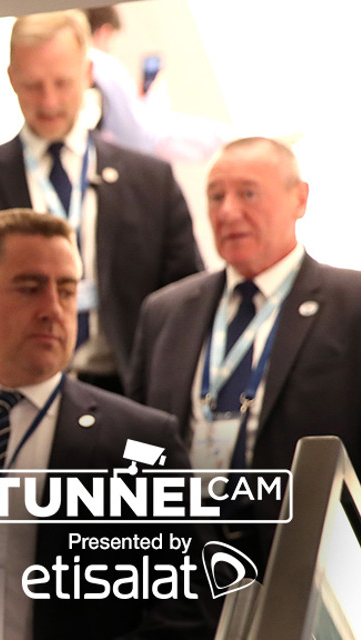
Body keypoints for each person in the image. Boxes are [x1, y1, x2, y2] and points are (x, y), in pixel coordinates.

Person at [0, 209, 214, 639]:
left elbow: (187, 609)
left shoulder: (142, 443)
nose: (53, 309)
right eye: (30, 288)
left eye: (68, 291)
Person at [0, 10, 203, 393]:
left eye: (61, 83)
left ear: (88, 75)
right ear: (11, 78)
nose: (49, 101)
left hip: (124, 401)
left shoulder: (151, 182)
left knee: (143, 456)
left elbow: (191, 309)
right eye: (34, 85)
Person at [129, 136, 361, 569]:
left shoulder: (351, 304)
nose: (228, 211)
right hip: (180, 564)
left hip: (308, 560)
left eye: (248, 193)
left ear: (300, 199)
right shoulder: (165, 312)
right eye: (216, 196)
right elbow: (139, 439)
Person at [83, 6, 231, 163]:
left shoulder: (88, 63)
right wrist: (154, 98)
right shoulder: (105, 65)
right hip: (135, 149)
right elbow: (139, 136)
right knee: (225, 137)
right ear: (105, 32)